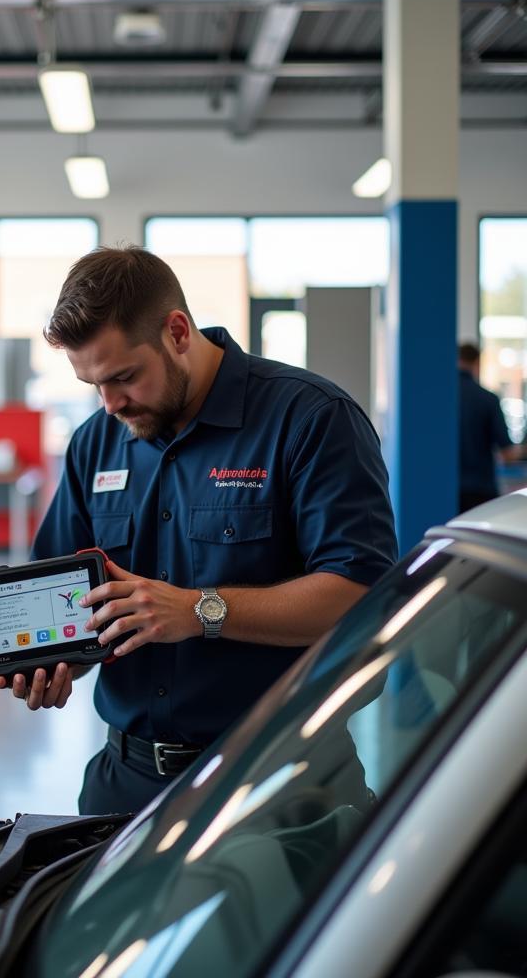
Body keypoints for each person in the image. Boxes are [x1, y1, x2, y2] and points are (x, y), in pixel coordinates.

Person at [30, 246, 398, 814]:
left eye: (125, 377)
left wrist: (200, 610)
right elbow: (68, 604)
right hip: (124, 786)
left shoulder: (311, 418)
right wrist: (53, 660)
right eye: (93, 385)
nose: (110, 404)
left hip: (278, 783)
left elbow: (361, 597)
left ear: (178, 332)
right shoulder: (94, 443)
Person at [457, 342, 517, 512]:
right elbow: (508, 454)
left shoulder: (442, 400)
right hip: (480, 491)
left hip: (447, 488)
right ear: (477, 363)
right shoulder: (488, 399)